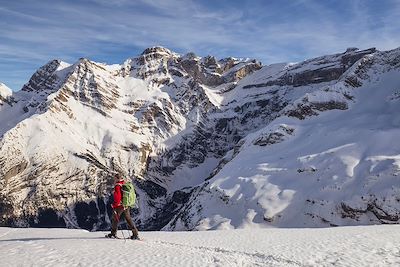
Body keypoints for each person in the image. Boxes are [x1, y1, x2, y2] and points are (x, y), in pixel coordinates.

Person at [106, 173, 140, 240]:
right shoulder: (124, 183)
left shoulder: (117, 186)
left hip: (120, 205)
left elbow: (118, 197)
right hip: (126, 204)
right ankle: (135, 234)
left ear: (116, 178)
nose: (114, 179)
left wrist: (115, 205)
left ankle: (113, 234)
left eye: (115, 178)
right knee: (128, 219)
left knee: (115, 218)